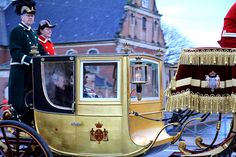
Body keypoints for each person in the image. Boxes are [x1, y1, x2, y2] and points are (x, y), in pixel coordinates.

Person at [8, 0, 42, 125]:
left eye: (32, 15)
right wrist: (31, 61)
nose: (30, 17)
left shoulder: (33, 33)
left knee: (31, 100)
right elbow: (15, 53)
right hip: (21, 72)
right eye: (28, 15)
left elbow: (39, 50)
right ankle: (20, 127)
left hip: (31, 71)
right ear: (21, 16)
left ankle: (30, 125)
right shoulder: (16, 31)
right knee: (20, 102)